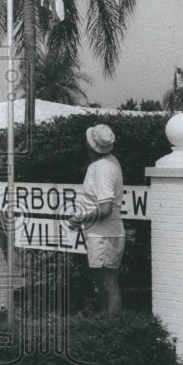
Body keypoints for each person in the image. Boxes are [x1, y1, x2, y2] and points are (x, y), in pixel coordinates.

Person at [68, 124, 126, 314]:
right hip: (104, 233)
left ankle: (111, 325)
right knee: (104, 283)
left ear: (90, 145)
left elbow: (105, 209)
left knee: (107, 283)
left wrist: (81, 218)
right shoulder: (110, 162)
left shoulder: (101, 168)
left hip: (103, 235)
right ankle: (107, 323)